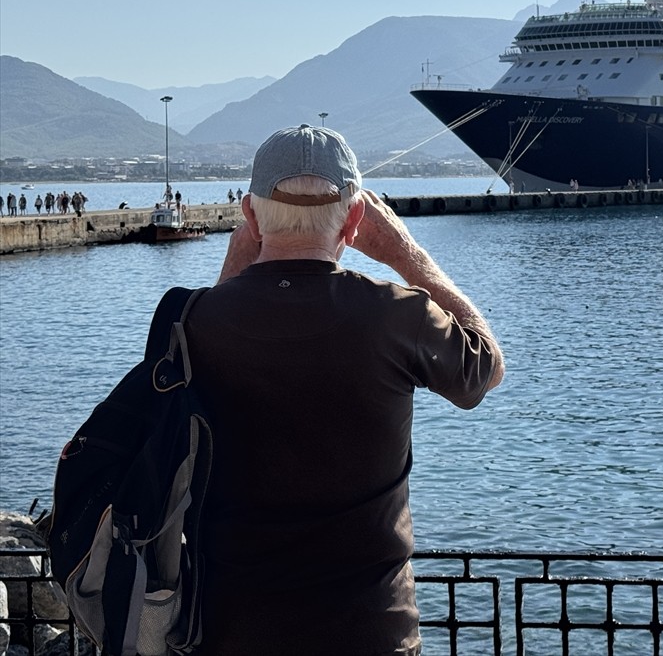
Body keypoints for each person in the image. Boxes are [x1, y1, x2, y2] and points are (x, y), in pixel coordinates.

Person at [184, 124, 504, 655]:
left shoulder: (194, 320)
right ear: (355, 219)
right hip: (373, 632)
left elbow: (181, 378)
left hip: (231, 630)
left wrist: (236, 264)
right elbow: (485, 369)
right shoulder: (398, 315)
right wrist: (405, 254)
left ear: (249, 216)